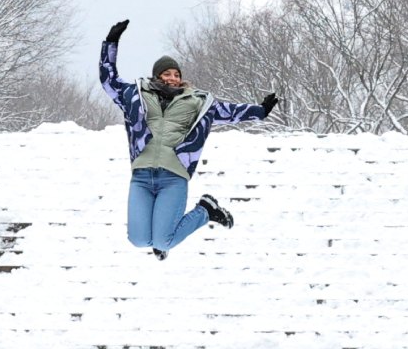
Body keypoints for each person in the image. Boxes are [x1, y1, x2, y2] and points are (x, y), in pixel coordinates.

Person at [99, 19, 278, 260]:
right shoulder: (136, 94)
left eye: (176, 74)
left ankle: (205, 211)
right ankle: (180, 226)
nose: (173, 78)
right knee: (138, 239)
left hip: (173, 176)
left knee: (163, 240)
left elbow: (229, 112)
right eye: (167, 73)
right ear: (156, 75)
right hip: (141, 176)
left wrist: (260, 111)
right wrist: (111, 42)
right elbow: (108, 81)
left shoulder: (196, 100)